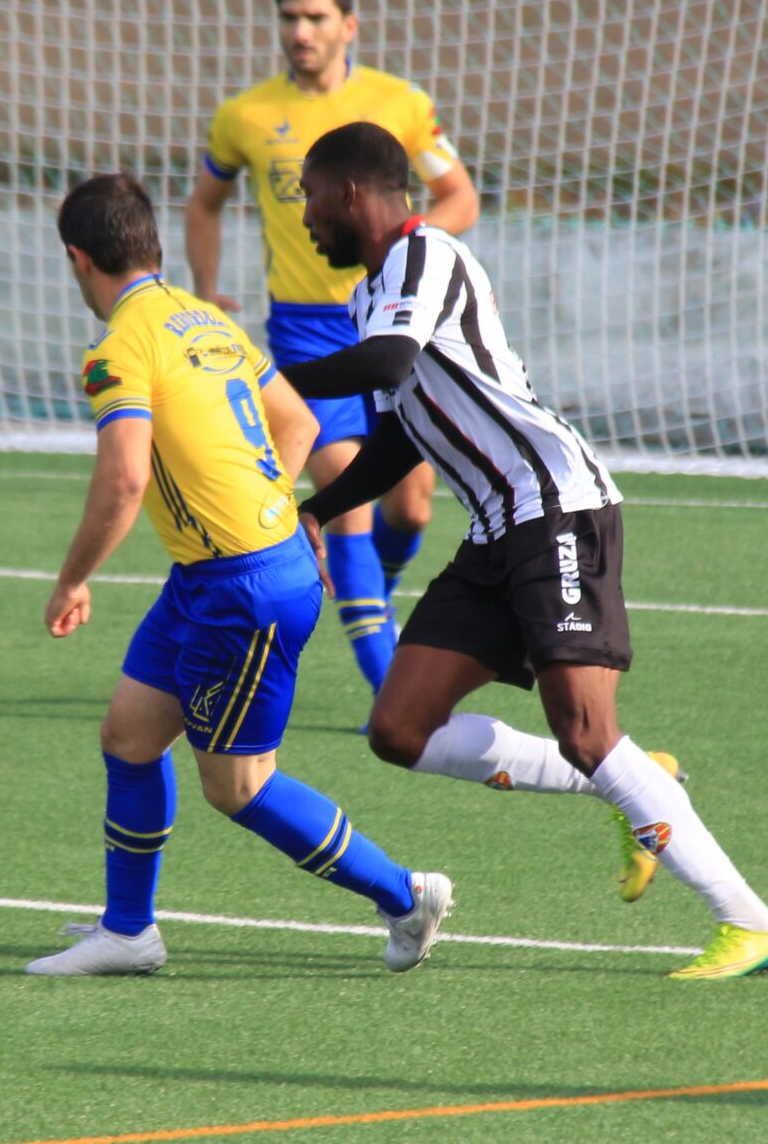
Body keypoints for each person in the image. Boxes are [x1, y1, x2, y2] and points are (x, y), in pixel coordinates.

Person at [283, 121, 768, 980]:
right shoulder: (367, 299)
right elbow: (405, 433)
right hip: (494, 526)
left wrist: (263, 377)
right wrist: (320, 505)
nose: (302, 218)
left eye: (307, 196)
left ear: (346, 191)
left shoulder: (428, 254)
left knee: (587, 730)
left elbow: (390, 359)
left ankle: (750, 919)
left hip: (556, 504)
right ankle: (640, 781)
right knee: (398, 727)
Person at [25, 172, 453, 977]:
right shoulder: (207, 318)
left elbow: (123, 481)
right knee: (128, 733)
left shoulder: (122, 344)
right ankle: (128, 931)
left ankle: (405, 893)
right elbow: (294, 419)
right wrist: (273, 509)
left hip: (243, 585)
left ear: (79, 259)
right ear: (150, 244)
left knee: (239, 786)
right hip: (213, 574)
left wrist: (72, 579)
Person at [187, 0, 476, 697]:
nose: (301, 31)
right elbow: (204, 202)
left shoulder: (401, 103)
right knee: (346, 501)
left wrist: (402, 257)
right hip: (303, 334)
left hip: (391, 327)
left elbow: (460, 198)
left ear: (349, 24)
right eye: (289, 17)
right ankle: (391, 695)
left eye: (316, 17)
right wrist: (209, 289)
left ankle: (368, 598)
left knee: (408, 505)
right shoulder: (245, 115)